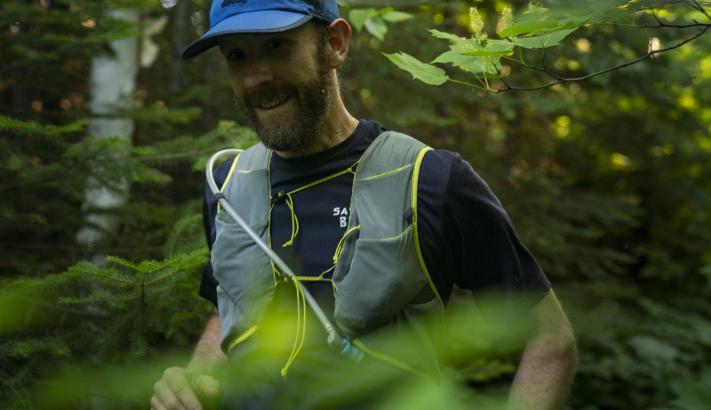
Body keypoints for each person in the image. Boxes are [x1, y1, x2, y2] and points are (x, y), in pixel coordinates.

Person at [151, 1, 577, 409]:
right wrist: (193, 382)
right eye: (237, 57)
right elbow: (229, 311)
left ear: (335, 43)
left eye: (276, 46)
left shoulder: (430, 182)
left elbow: (549, 341)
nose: (254, 78)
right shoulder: (229, 187)